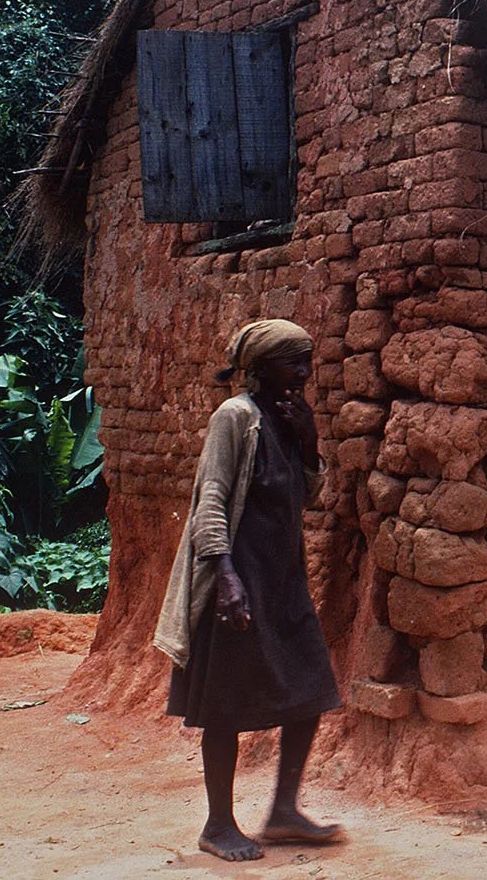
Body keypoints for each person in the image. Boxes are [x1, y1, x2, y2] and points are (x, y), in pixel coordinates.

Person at [153, 319, 344, 862]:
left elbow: (309, 496)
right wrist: (227, 579)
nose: (304, 373)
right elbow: (208, 500)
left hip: (283, 579)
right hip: (239, 579)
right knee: (226, 704)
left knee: (310, 686)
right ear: (260, 368)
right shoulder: (234, 418)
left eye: (308, 361)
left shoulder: (287, 420)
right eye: (293, 362)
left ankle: (283, 811)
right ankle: (217, 825)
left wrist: (309, 441)